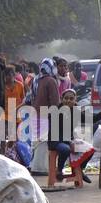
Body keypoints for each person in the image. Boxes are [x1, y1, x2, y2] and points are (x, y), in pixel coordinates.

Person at [32, 58, 64, 186]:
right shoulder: (51, 81)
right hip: (46, 115)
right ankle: (41, 168)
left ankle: (36, 166)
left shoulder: (36, 80)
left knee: (38, 141)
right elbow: (55, 101)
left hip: (36, 113)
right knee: (45, 142)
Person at [3, 65, 25, 144]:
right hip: (4, 117)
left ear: (14, 75)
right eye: (6, 75)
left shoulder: (20, 85)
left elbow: (23, 100)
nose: (8, 77)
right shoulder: (2, 86)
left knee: (14, 139)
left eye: (10, 75)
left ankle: (12, 155)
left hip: (16, 116)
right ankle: (3, 153)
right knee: (3, 137)